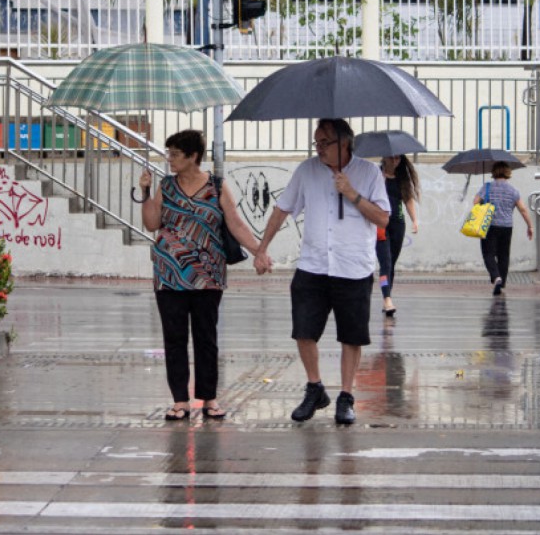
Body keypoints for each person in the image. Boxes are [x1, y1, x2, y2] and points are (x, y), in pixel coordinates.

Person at [254, 119, 390, 425]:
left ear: (344, 143)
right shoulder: (307, 170)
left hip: (352, 267)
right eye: (316, 143)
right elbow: (282, 209)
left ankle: (346, 396)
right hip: (312, 265)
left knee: (351, 337)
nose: (318, 149)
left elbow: (383, 219)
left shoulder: (369, 173)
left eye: (324, 143)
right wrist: (261, 248)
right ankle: (315, 388)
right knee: (303, 331)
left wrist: (352, 193)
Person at [138, 130, 261, 422]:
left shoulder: (217, 187)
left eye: (175, 154)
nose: (169, 159)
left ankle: (209, 399)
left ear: (193, 156)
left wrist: (260, 250)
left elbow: (235, 224)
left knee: (207, 337)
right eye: (168, 153)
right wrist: (145, 193)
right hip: (169, 275)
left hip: (208, 276)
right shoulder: (166, 186)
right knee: (174, 338)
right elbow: (151, 223)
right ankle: (180, 400)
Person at [473, 161, 533, 296]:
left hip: (489, 225)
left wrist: (486, 200)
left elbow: (475, 202)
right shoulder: (513, 190)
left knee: (488, 253)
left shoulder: (487, 187)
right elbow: (523, 209)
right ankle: (502, 282)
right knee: (503, 255)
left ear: (494, 172)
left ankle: (496, 277)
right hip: (506, 226)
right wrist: (530, 226)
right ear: (507, 172)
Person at [375, 154, 420, 317]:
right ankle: (387, 298)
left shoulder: (402, 177)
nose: (395, 161)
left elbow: (408, 200)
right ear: (384, 158)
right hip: (380, 223)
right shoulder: (376, 174)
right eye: (392, 158)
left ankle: (387, 295)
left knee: (391, 264)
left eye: (398, 159)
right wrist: (381, 181)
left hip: (398, 224)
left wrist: (414, 220)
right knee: (385, 263)